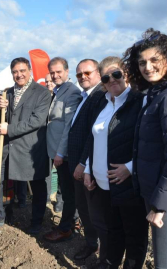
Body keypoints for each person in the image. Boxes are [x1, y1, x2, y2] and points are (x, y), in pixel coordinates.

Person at [124, 28, 167, 269]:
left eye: (154, 60)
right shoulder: (157, 94)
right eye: (142, 62)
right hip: (162, 195)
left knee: (166, 264)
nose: (147, 67)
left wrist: (160, 205)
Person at [83, 56, 148, 269]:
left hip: (128, 185)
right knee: (112, 232)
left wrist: (130, 168)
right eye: (106, 77)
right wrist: (87, 168)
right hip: (103, 185)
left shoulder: (139, 101)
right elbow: (94, 139)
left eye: (116, 74)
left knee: (134, 236)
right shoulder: (103, 104)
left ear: (126, 74)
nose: (112, 80)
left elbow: (151, 144)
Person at [0, 57, 51, 234]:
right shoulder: (8, 93)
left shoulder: (42, 93)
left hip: (30, 149)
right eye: (15, 72)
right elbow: (6, 115)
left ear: (29, 71)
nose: (19, 75)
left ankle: (36, 222)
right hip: (9, 147)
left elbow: (37, 121)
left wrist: (9, 129)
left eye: (22, 71)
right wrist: (0, 106)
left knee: (37, 186)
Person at [68, 59, 103, 260]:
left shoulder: (99, 96)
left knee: (92, 211)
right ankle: (92, 244)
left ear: (97, 73)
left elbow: (93, 135)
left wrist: (83, 163)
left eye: (87, 73)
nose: (83, 77)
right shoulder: (85, 96)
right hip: (78, 164)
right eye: (79, 74)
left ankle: (98, 248)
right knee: (84, 208)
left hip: (87, 165)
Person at [45, 57, 82, 242]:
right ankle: (73, 221)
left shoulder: (72, 92)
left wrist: (60, 153)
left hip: (64, 154)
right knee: (67, 191)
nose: (55, 75)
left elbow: (69, 126)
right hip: (57, 151)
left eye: (59, 71)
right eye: (52, 72)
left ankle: (66, 228)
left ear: (67, 72)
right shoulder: (59, 91)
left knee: (68, 193)